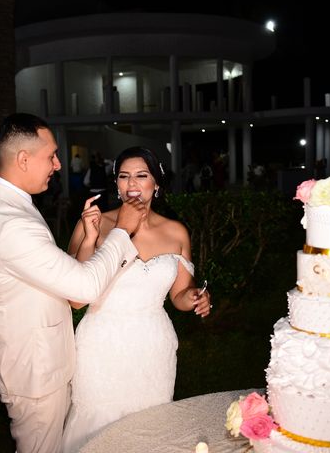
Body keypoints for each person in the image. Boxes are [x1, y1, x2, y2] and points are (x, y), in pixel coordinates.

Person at [0, 113, 146, 453]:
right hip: (34, 374)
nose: (59, 164)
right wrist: (121, 232)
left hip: (33, 362)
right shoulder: (9, 221)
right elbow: (84, 288)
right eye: (50, 155)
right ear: (23, 159)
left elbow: (47, 273)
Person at [62, 146, 212, 452]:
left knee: (151, 426)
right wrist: (90, 240)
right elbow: (76, 300)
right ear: (115, 184)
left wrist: (195, 297)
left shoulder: (176, 232)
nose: (132, 184)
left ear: (156, 183)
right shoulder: (93, 224)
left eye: (141, 176)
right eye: (124, 176)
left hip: (152, 345)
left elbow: (179, 294)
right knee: (96, 425)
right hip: (101, 345)